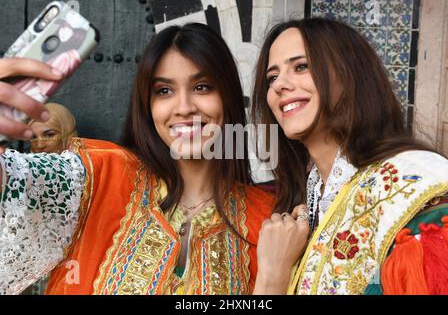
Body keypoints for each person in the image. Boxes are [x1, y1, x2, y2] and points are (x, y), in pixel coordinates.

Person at [0, 23, 274, 295]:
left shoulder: (265, 218)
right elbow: (11, 180)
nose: (184, 107)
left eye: (202, 87)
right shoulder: (98, 176)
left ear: (228, 97)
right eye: (164, 91)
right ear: (147, 105)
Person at [251, 18, 448, 295]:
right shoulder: (301, 204)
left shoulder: (412, 185)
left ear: (349, 75)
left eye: (301, 67)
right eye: (272, 78)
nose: (279, 85)